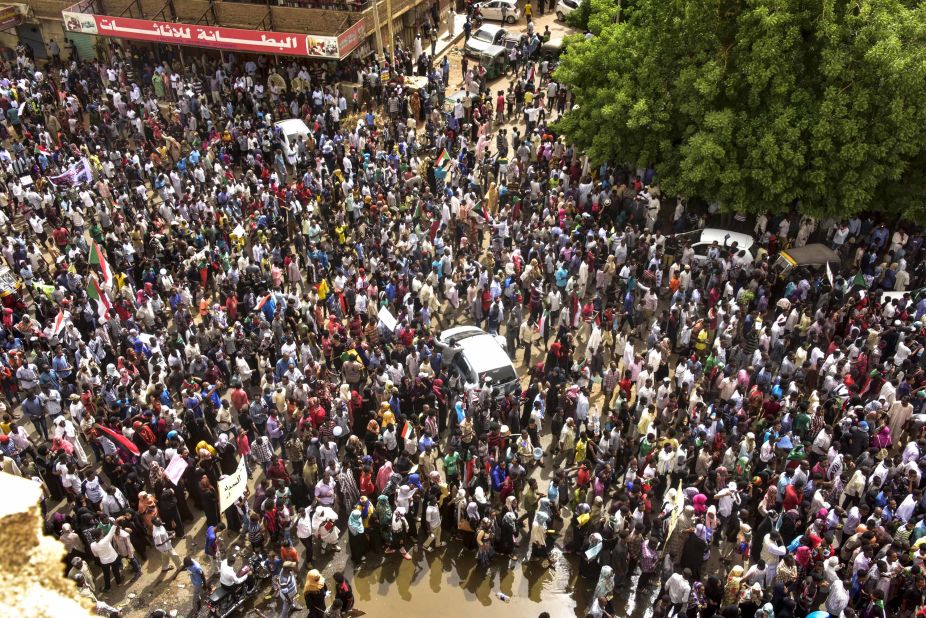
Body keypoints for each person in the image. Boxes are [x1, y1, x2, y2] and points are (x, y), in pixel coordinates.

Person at [89, 521, 123, 591]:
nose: (103, 533)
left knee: (106, 574)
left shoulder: (92, 545)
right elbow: (112, 530)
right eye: (102, 532)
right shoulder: (105, 540)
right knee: (116, 571)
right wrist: (115, 522)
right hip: (113, 558)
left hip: (104, 562)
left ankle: (108, 588)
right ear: (100, 535)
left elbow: (96, 555)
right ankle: (119, 582)